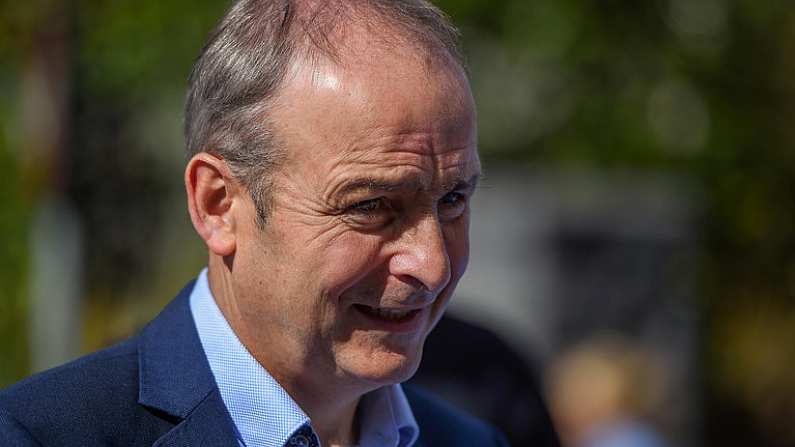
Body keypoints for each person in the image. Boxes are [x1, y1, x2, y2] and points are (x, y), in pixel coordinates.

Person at [0, 0, 517, 446]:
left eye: (452, 199)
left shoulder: (470, 440)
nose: (432, 264)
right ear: (218, 205)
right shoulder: (41, 436)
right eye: (372, 206)